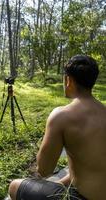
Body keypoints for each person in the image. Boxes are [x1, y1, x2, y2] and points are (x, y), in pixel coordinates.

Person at [8, 55, 106, 200]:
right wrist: (59, 183)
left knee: (14, 186)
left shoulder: (61, 116)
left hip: (83, 197)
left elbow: (44, 170)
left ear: (68, 80)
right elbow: (89, 165)